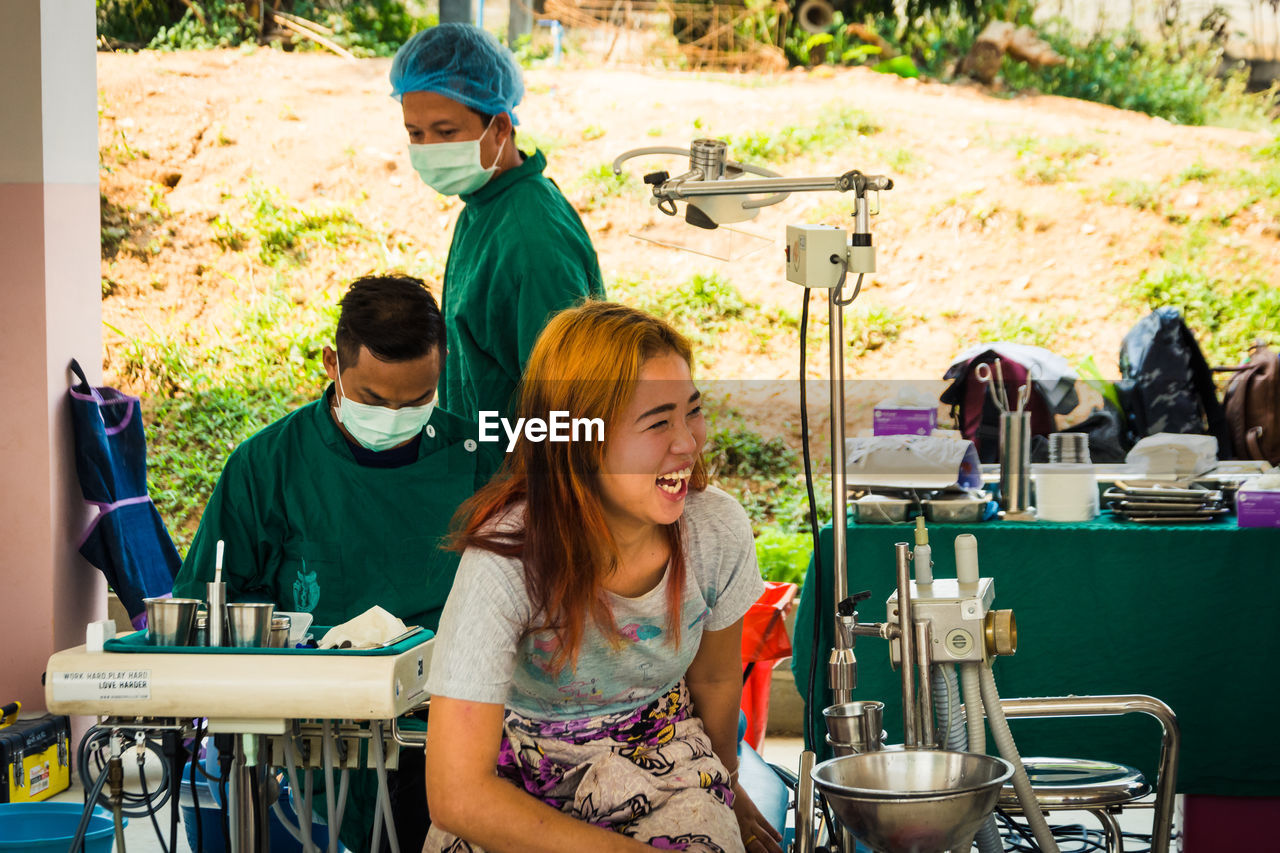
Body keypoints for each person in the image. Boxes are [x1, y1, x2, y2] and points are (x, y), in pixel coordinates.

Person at [422, 302, 785, 853]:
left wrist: (727, 791)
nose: (687, 441)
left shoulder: (715, 531)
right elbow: (457, 794)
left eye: (692, 410)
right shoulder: (508, 561)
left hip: (668, 760)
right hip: (516, 777)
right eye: (657, 422)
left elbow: (713, 682)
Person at [172, 274, 500, 853]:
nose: (396, 416)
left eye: (418, 400)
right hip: (315, 732)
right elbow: (204, 611)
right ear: (332, 364)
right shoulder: (267, 467)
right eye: (374, 400)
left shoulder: (479, 461)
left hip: (449, 725)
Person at [388, 23, 605, 424]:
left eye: (446, 131)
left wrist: (515, 486)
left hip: (521, 474)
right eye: (415, 133)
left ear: (500, 127)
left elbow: (568, 410)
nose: (427, 149)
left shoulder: (531, 240)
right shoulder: (485, 203)